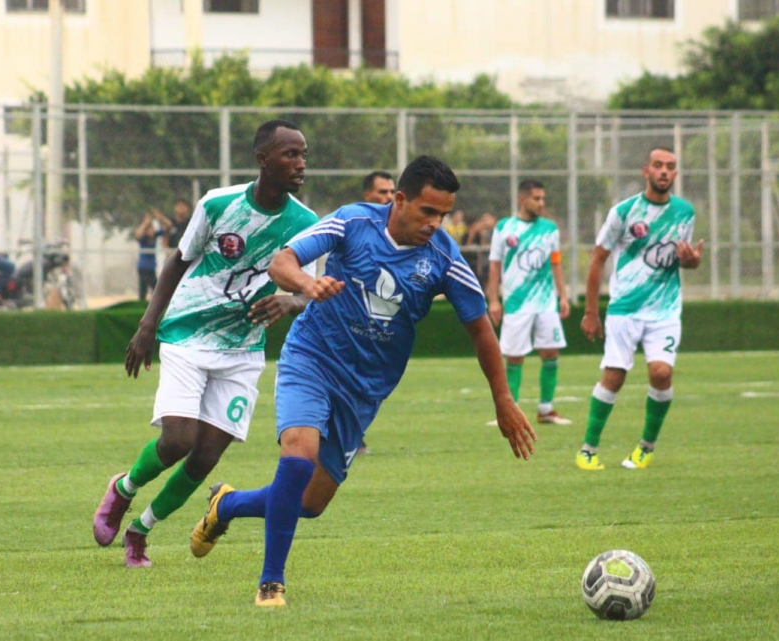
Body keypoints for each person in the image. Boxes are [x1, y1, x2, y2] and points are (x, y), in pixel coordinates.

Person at [189, 155, 537, 607]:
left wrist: (503, 400)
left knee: (310, 503)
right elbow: (283, 262)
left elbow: (480, 329)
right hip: (312, 357)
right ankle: (271, 582)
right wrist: (306, 286)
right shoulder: (352, 222)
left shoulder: (444, 258)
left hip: (365, 389)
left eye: (444, 215)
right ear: (399, 199)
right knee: (298, 454)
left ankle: (228, 505)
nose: (436, 223)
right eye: (427, 211)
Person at [92, 120, 319, 568]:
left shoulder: (306, 225)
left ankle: (141, 531)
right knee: (178, 440)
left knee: (207, 455)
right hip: (188, 333)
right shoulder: (218, 204)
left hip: (242, 349)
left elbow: (309, 289)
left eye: (303, 155)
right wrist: (147, 326)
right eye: (290, 154)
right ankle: (124, 489)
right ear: (263, 160)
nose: (300, 164)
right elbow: (178, 262)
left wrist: (287, 303)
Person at [577, 147, 703, 471]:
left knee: (661, 373)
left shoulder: (685, 212)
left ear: (675, 175)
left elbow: (682, 260)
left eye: (670, 167)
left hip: (665, 309)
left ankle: (645, 448)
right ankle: (587, 450)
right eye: (658, 166)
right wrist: (591, 311)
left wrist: (692, 262)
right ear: (645, 171)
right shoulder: (623, 212)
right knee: (615, 375)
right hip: (625, 308)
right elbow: (598, 258)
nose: (664, 171)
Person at [485, 180, 572, 426]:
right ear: (523, 200)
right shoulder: (504, 228)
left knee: (550, 352)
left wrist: (562, 295)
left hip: (545, 304)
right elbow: (494, 264)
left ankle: (546, 410)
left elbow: (556, 262)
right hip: (516, 303)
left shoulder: (550, 229)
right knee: (514, 356)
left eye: (543, 198)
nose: (541, 203)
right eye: (536, 198)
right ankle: (508, 411)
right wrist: (494, 299)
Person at [355, 170, 396, 455]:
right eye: (383, 192)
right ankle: (349, 437)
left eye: (392, 192)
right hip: (349, 317)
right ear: (367, 194)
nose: (389, 198)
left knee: (368, 382)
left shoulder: (398, 229)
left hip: (380, 318)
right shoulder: (355, 224)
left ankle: (351, 434)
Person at [134, 208, 172, 301]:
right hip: (142, 267)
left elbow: (169, 225)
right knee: (143, 290)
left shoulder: (155, 235)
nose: (151, 231)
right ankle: (141, 306)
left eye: (152, 228)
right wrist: (146, 222)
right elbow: (138, 234)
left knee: (155, 289)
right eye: (149, 229)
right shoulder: (143, 238)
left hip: (151, 267)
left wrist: (159, 217)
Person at [464, 211, 497, 288]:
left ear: (494, 219)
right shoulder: (482, 232)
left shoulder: (498, 231)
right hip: (484, 264)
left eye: (487, 219)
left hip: (495, 263)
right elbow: (470, 245)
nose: (485, 222)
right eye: (483, 220)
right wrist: (477, 233)